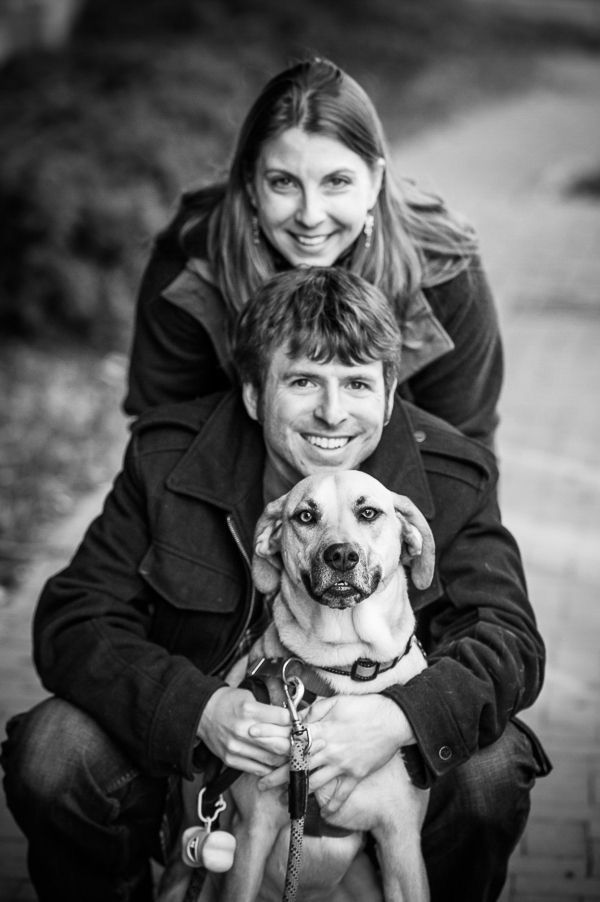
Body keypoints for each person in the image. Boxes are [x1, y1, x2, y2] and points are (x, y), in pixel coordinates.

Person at [2, 268, 549, 902]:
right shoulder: (169, 460)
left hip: (380, 748)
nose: (332, 411)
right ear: (256, 394)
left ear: (390, 394)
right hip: (197, 756)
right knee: (53, 750)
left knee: (493, 767)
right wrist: (197, 710)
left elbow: (511, 642)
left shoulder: (451, 478)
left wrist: (401, 717)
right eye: (303, 381)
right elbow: (75, 621)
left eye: (356, 383)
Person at [124, 57, 502, 450]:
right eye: (283, 182)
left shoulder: (441, 267)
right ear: (252, 184)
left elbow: (466, 447)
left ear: (374, 180)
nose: (310, 215)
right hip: (225, 492)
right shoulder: (192, 261)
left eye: (336, 182)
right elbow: (161, 441)